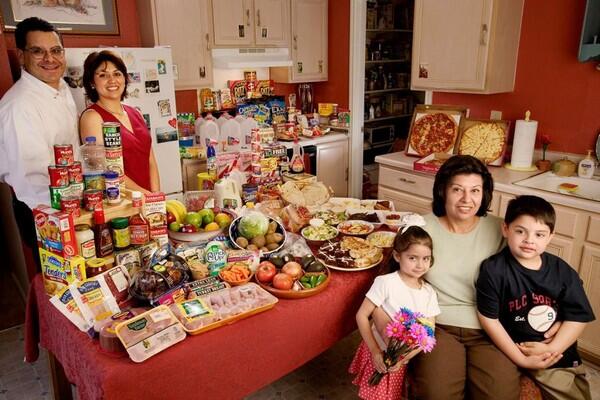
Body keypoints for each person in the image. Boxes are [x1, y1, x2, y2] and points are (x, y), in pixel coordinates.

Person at [392, 154, 520, 399]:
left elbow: (531, 273)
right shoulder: (420, 228)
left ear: (485, 193)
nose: (466, 199)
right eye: (457, 189)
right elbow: (397, 281)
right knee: (436, 394)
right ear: (443, 190)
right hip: (438, 325)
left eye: (475, 190)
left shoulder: (503, 229)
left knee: (500, 394)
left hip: (490, 327)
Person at [477, 195, 595, 400]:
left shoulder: (562, 271)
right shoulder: (493, 269)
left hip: (552, 352)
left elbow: (577, 317)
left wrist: (550, 349)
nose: (529, 240)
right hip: (510, 350)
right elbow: (489, 319)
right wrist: (521, 358)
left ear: (550, 237)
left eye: (539, 234)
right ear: (506, 229)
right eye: (520, 231)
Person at [349, 226, 440, 399]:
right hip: (377, 350)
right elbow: (361, 315)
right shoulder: (385, 282)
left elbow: (429, 333)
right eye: (412, 258)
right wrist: (375, 351)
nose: (420, 265)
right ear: (398, 256)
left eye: (426, 259)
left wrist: (403, 359)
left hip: (401, 359)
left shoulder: (429, 293)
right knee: (373, 394)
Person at [0, 17, 79, 209]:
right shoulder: (19, 106)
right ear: (21, 56)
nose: (50, 59)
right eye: (37, 51)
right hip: (44, 209)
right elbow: (34, 184)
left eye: (56, 50)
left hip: (73, 197)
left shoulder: (61, 88)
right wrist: (68, 214)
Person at [79, 50, 160, 193]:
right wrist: (143, 194)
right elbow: (105, 168)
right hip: (120, 200)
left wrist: (156, 196)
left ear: (124, 78)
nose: (112, 80)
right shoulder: (92, 117)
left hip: (148, 198)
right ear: (92, 82)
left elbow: (151, 161)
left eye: (117, 74)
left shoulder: (136, 113)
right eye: (103, 75)